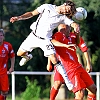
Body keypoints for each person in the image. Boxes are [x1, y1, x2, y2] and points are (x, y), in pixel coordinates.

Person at [10, 1, 80, 90]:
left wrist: (76, 26)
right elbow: (31, 13)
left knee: (54, 58)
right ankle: (27, 57)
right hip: (33, 36)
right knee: (19, 54)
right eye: (68, 10)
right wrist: (19, 18)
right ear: (65, 4)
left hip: (45, 40)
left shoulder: (63, 18)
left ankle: (67, 81)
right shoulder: (47, 7)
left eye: (68, 12)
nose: (66, 12)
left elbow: (72, 23)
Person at [47, 24, 96, 100]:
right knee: (59, 84)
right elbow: (51, 43)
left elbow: (81, 46)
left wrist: (77, 34)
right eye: (61, 29)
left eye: (64, 29)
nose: (62, 31)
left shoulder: (73, 36)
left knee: (93, 89)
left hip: (77, 66)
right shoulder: (58, 35)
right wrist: (49, 62)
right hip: (67, 68)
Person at [0, 29, 15, 100]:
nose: (0, 37)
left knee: (5, 92)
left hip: (3, 72)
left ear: (3, 37)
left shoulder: (7, 46)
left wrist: (12, 67)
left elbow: (12, 56)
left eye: (1, 35)